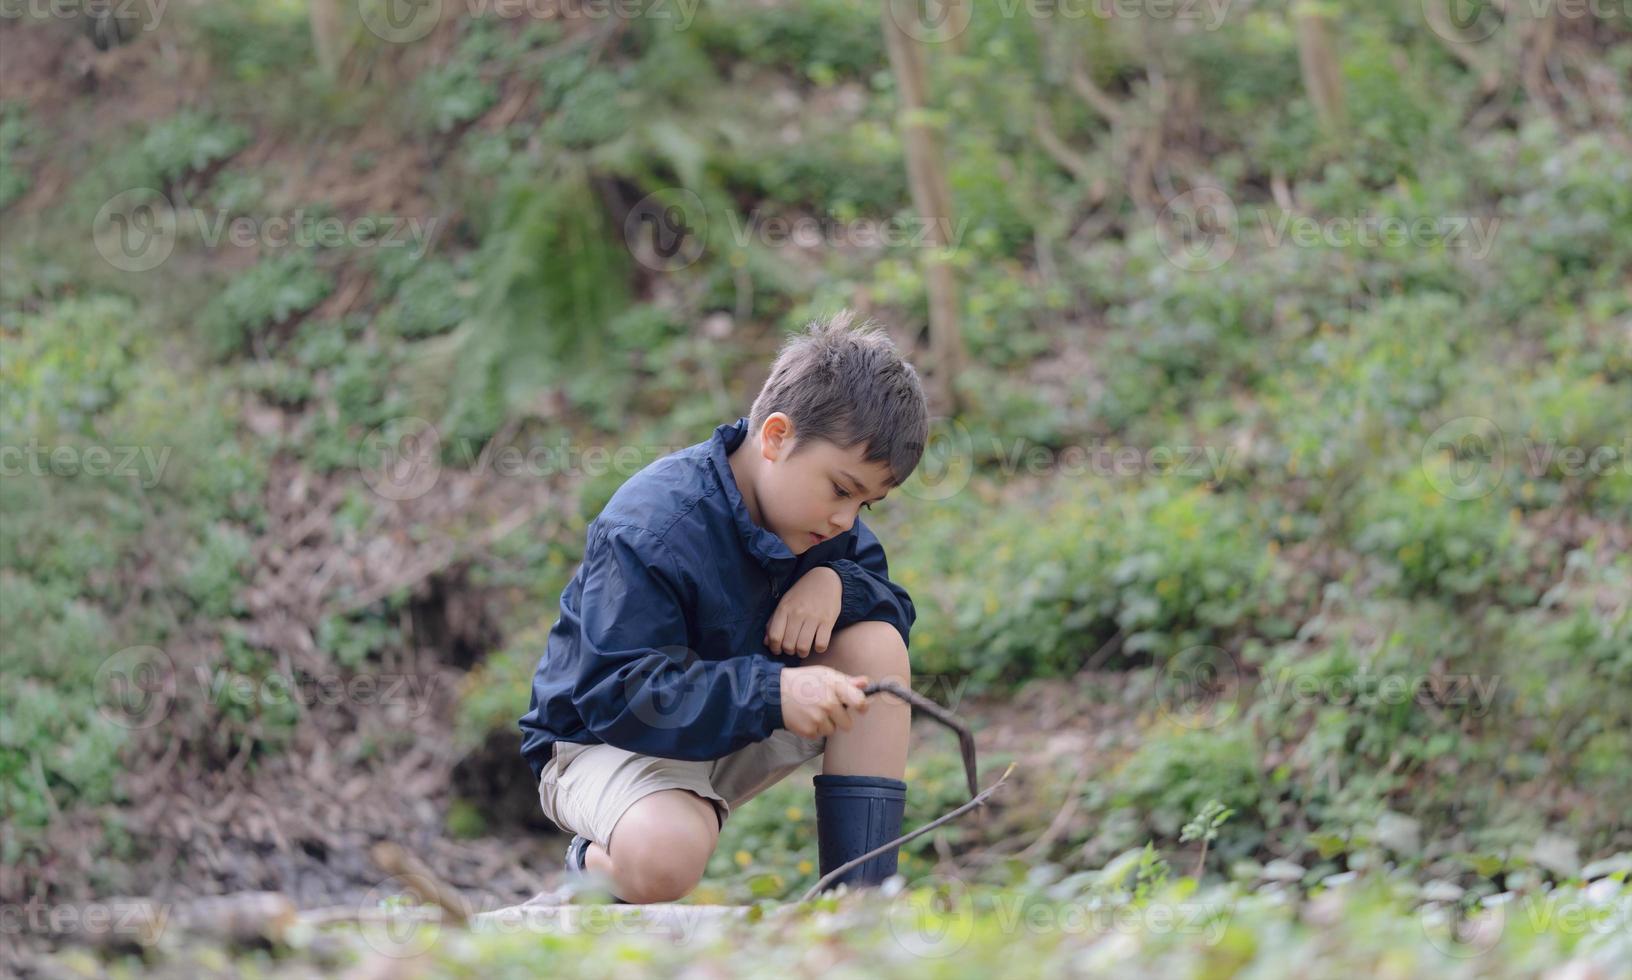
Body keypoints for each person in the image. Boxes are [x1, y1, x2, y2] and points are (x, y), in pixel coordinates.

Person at [517, 309, 928, 904]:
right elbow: (616, 692)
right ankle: (598, 866)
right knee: (668, 857)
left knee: (875, 647)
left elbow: (894, 606)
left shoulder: (825, 529)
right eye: (841, 489)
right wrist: (774, 694)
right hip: (603, 740)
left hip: (723, 725)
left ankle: (859, 907)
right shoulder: (653, 526)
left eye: (869, 503)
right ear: (776, 437)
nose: (847, 518)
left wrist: (840, 584)